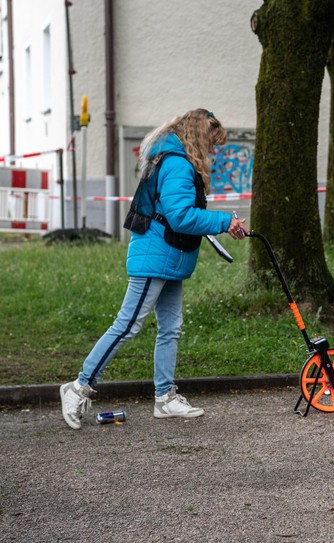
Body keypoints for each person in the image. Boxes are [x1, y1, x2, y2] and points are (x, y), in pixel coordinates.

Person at [60, 108, 249, 430]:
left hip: (169, 257)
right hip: (158, 257)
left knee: (170, 328)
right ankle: (78, 387)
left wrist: (221, 223)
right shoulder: (177, 164)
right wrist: (224, 221)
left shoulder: (173, 160)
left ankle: (165, 398)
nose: (215, 152)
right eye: (212, 144)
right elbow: (180, 216)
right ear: (198, 138)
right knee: (128, 325)